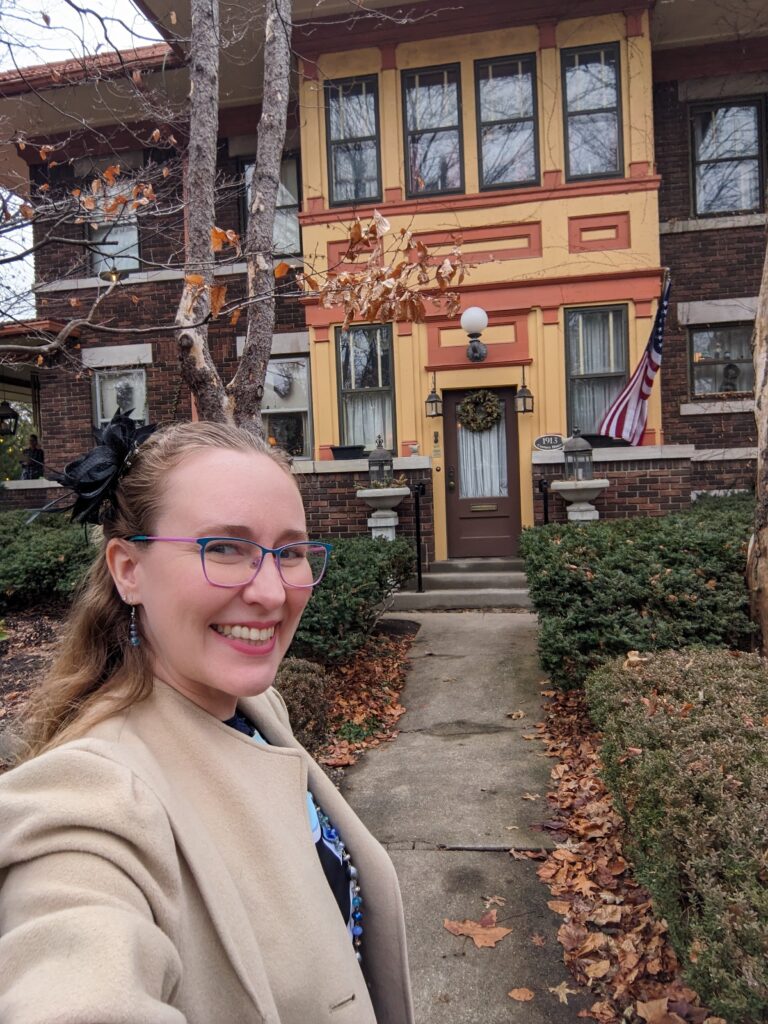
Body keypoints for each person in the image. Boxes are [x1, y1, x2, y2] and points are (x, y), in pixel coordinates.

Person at [0, 415, 414, 1024]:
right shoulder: (89, 803)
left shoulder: (253, 711)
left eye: (290, 552)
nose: (273, 592)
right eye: (224, 548)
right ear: (128, 569)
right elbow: (74, 973)